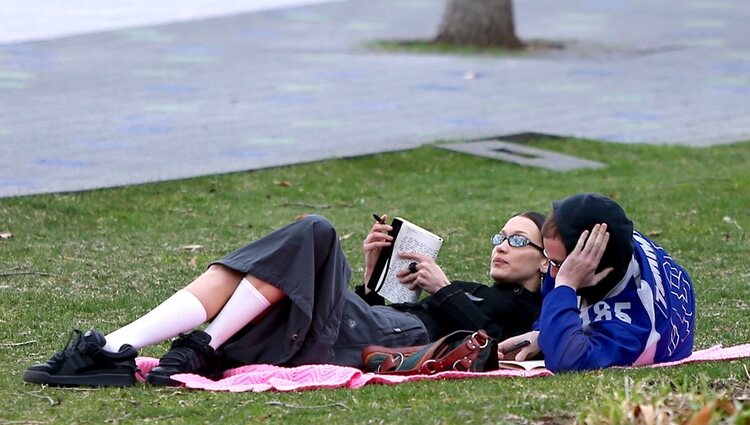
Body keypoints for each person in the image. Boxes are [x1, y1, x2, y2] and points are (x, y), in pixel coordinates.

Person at [23, 211, 547, 387]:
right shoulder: (482, 291)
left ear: (546, 262)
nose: (502, 246)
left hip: (364, 335)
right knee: (257, 270)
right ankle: (115, 346)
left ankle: (178, 344)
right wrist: (372, 274)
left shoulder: (530, 310)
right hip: (362, 320)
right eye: (499, 237)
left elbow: (488, 340)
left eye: (518, 240)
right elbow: (391, 314)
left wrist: (444, 287)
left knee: (315, 233)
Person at [496, 193, 696, 372]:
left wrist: (566, 284)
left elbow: (566, 361)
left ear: (596, 265)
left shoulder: (637, 324)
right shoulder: (609, 243)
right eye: (549, 258)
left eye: (558, 264)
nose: (552, 272)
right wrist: (540, 334)